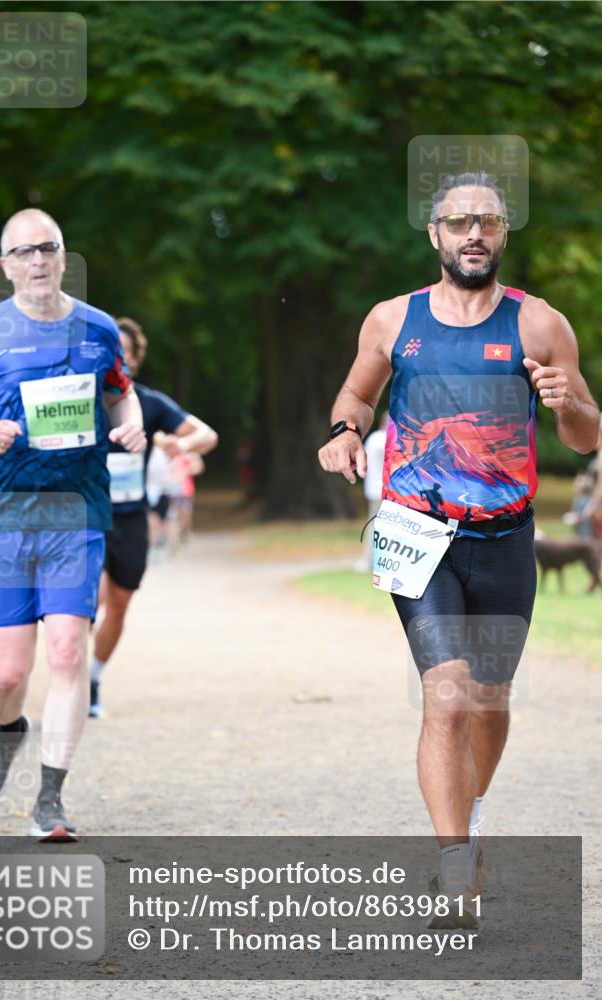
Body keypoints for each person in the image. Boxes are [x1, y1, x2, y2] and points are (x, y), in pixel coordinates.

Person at [318, 172, 599, 925]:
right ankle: (453, 865)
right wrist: (345, 433)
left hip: (506, 538)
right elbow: (356, 396)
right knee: (444, 696)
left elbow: (587, 434)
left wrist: (567, 404)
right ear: (433, 233)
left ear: (504, 235)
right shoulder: (391, 320)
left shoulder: (540, 325)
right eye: (457, 221)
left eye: (487, 221)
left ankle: (467, 821)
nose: (472, 233)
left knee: (488, 700)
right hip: (418, 535)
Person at [0, 209, 146, 838]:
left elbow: (121, 391)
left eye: (47, 249)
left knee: (65, 651)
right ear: (6, 266)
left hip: (74, 513)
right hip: (1, 515)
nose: (37, 261)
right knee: (9, 673)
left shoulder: (98, 328)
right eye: (23, 252)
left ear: (62, 256)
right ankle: (8, 728)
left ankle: (50, 798)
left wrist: (130, 419)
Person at [89, 316, 218, 717]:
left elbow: (206, 435)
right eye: (112, 351)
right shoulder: (81, 400)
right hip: (85, 517)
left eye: (125, 352)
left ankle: (92, 676)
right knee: (82, 604)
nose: (119, 358)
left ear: (135, 359)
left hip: (130, 517)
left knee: (120, 604)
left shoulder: (148, 402)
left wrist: (180, 445)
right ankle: (70, 679)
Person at [354, 413, 387, 572]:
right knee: (376, 525)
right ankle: (369, 559)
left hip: (375, 489)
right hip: (380, 490)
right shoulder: (381, 439)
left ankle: (373, 559)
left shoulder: (374, 438)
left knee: (375, 524)